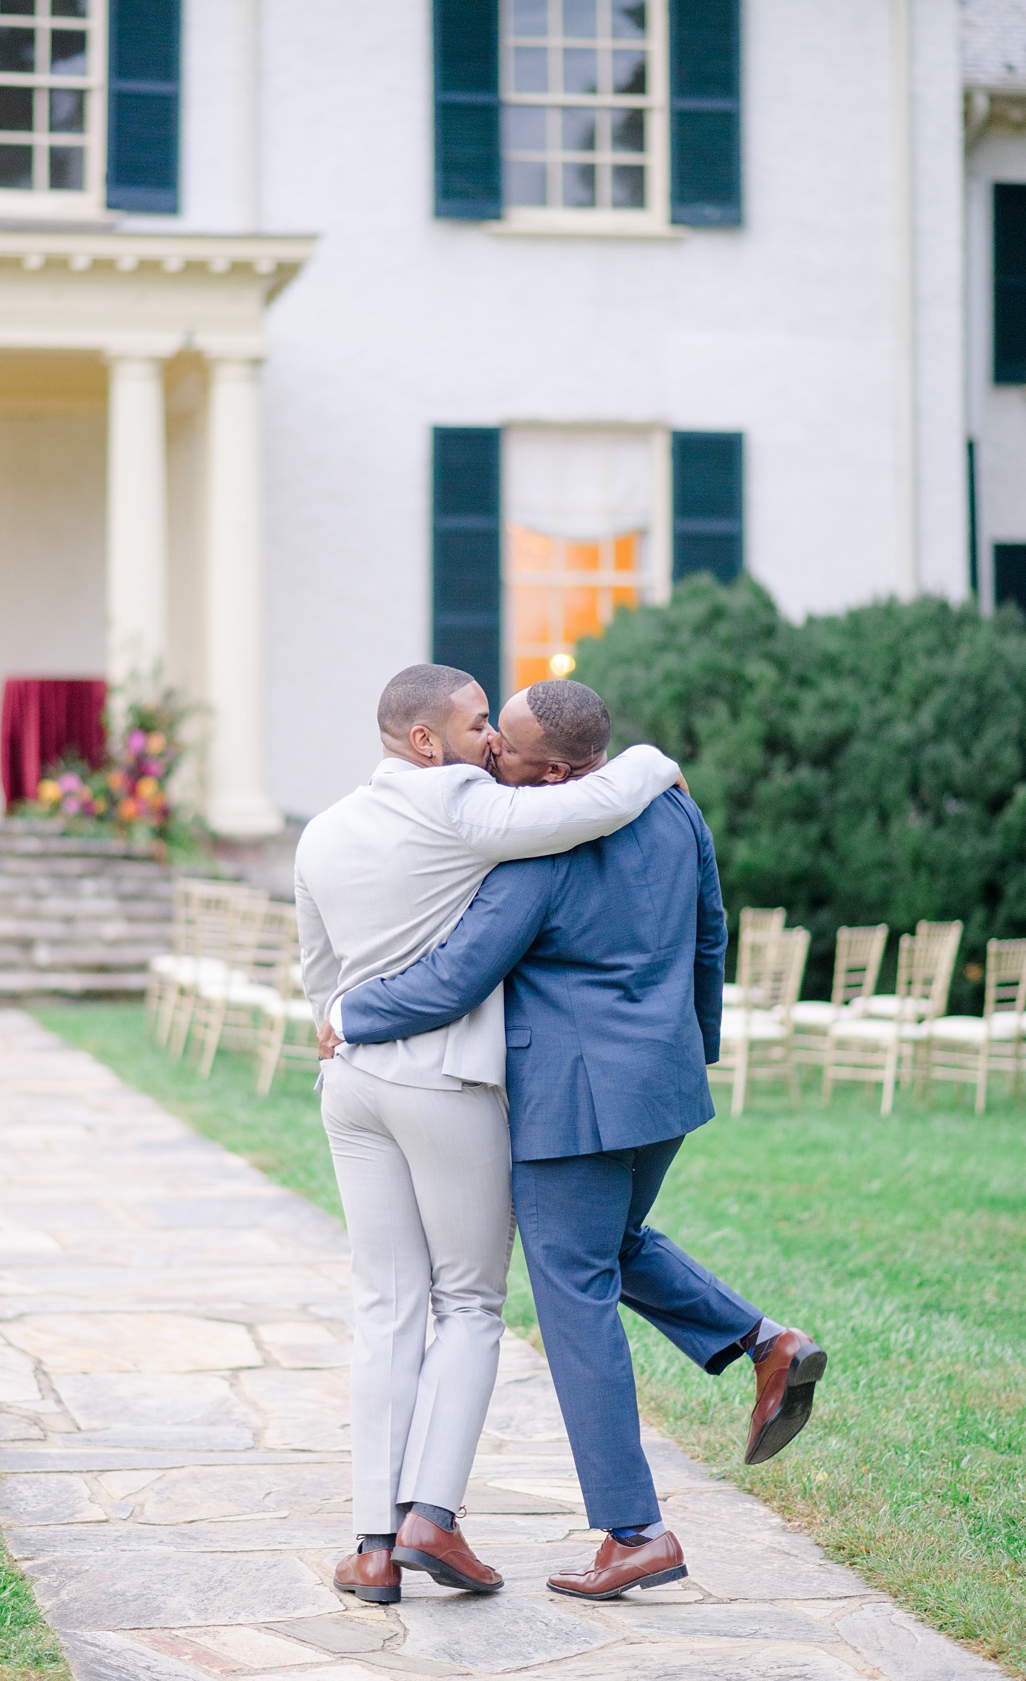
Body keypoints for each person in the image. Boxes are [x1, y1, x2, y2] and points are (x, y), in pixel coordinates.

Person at [335, 677, 828, 1602]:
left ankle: (635, 1532)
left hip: (573, 1105)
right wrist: (688, 1052)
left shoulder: (542, 850)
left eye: (505, 747)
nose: (489, 755)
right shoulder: (678, 816)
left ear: (557, 771)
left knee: (575, 1296)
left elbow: (453, 978)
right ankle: (765, 1345)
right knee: (612, 1247)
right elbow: (708, 939)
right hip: (661, 1087)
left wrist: (347, 1010)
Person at [294, 663, 684, 1607]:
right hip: (444, 1081)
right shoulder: (461, 803)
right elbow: (584, 807)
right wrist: (652, 759)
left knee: (383, 1305)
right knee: (468, 1303)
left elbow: (317, 969)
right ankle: (433, 1515)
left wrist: (341, 1018)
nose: (493, 746)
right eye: (477, 727)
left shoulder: (322, 829)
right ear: (427, 742)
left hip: (349, 1083)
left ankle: (374, 1549)